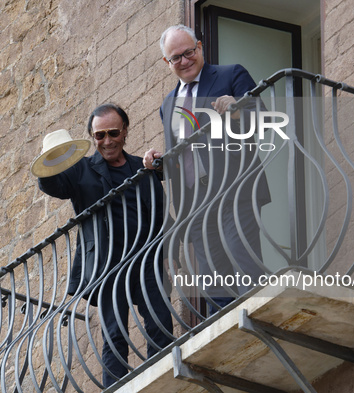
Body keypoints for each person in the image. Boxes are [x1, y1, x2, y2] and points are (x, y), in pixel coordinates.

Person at [38, 103, 173, 388]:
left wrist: (158, 161)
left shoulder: (141, 166)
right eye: (99, 136)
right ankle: (116, 386)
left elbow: (175, 170)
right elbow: (51, 185)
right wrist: (52, 158)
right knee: (114, 332)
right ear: (92, 137)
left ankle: (163, 376)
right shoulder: (81, 170)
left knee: (159, 318)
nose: (107, 141)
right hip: (108, 262)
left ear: (125, 131)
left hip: (147, 255)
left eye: (113, 132)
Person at [143, 25, 271, 314]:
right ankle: (225, 337)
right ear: (168, 63)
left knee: (245, 261)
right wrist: (157, 162)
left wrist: (238, 107)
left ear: (199, 47)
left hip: (235, 189)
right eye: (176, 58)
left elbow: (262, 119)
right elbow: (178, 160)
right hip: (197, 203)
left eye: (189, 52)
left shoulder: (230, 74)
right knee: (212, 276)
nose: (184, 61)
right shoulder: (168, 104)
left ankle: (261, 321)